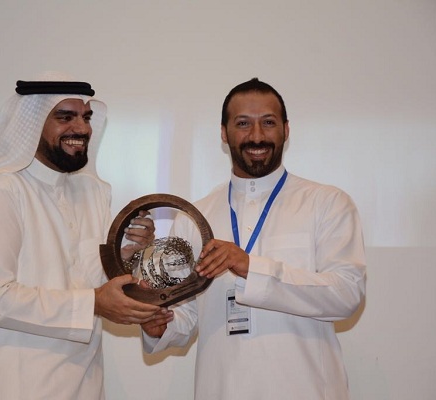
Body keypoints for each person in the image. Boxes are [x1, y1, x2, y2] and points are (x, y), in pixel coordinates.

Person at [0, 72, 160, 400]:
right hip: (13, 384)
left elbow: (86, 278)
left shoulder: (94, 192)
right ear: (32, 122)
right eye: (65, 117)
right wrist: (93, 303)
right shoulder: (2, 189)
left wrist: (126, 252)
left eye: (86, 117)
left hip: (82, 384)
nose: (81, 128)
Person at [141, 78, 366, 399]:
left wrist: (250, 267)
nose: (257, 136)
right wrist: (160, 326)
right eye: (243, 123)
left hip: (307, 389)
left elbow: (347, 294)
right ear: (224, 133)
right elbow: (186, 315)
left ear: (286, 129)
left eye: (268, 123)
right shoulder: (193, 219)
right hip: (221, 389)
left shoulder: (327, 203)